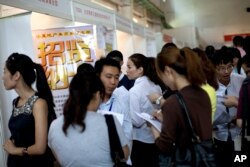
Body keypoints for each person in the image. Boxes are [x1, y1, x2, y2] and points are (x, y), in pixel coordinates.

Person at [48, 70, 130, 167]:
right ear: (98, 94)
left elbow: (58, 159)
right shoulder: (109, 122)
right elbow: (124, 155)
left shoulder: (54, 125)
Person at [149, 47, 212, 166]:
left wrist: (154, 131)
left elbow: (165, 145)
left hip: (185, 160)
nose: (163, 81)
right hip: (205, 157)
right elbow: (196, 123)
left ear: (168, 71)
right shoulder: (202, 93)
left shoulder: (173, 102)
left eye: (161, 75)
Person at [2, 53, 56, 167]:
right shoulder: (16, 102)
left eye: (4, 71)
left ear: (16, 75)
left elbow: (40, 148)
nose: (3, 76)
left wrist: (14, 150)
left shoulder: (39, 104)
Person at [95, 58, 133, 165]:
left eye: (116, 77)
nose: (113, 82)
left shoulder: (121, 102)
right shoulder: (88, 104)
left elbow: (128, 134)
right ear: (97, 76)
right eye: (108, 77)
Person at [126, 53, 162, 167]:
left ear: (140, 70)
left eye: (129, 67)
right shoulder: (156, 86)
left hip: (140, 141)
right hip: (155, 137)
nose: (126, 70)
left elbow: (136, 121)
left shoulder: (134, 91)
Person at [213, 48, 245, 166]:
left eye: (229, 66)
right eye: (221, 68)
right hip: (219, 138)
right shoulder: (209, 85)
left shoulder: (242, 81)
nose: (226, 71)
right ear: (214, 68)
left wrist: (237, 103)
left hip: (240, 137)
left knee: (240, 162)